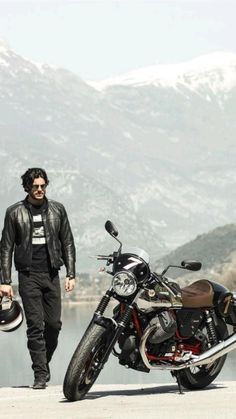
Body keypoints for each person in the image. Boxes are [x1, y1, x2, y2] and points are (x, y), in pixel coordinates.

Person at [0, 167, 76, 389]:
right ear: (27, 187)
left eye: (43, 185)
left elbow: (68, 243)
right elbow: (5, 248)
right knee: (35, 326)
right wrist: (5, 281)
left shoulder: (57, 210)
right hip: (28, 275)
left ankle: (44, 363)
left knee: (53, 325)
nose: (40, 189)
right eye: (35, 186)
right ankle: (40, 375)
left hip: (52, 273)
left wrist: (70, 273)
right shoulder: (14, 212)